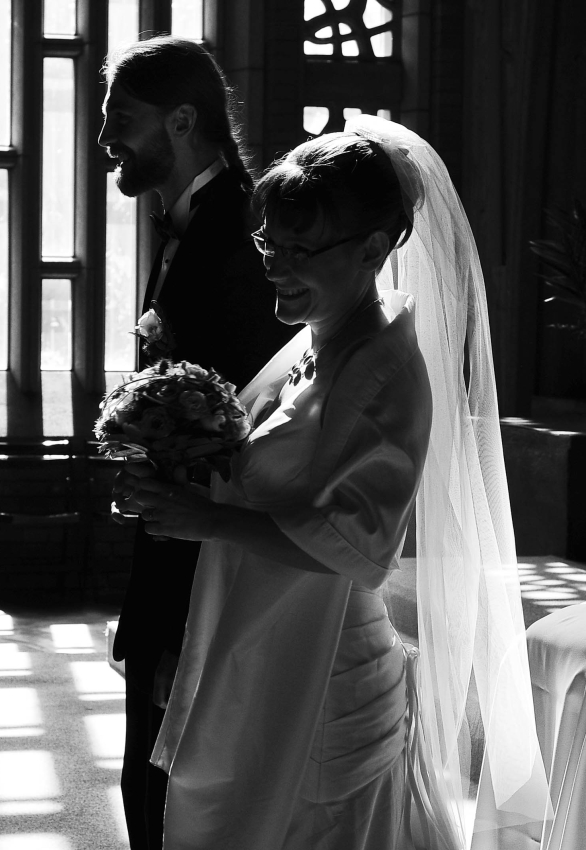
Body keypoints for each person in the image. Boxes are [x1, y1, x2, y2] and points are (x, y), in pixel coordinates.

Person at [118, 116, 552, 849]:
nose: (275, 267)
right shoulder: (314, 342)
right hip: (268, 643)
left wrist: (209, 519)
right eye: (270, 244)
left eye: (300, 250)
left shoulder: (386, 370)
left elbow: (360, 546)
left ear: (373, 249)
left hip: (327, 675)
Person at [98, 35, 295, 850]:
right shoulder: (182, 225)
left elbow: (252, 411)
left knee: (173, 778)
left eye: (122, 119)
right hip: (169, 538)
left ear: (181, 122)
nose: (106, 138)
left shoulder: (244, 232)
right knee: (144, 769)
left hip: (209, 554)